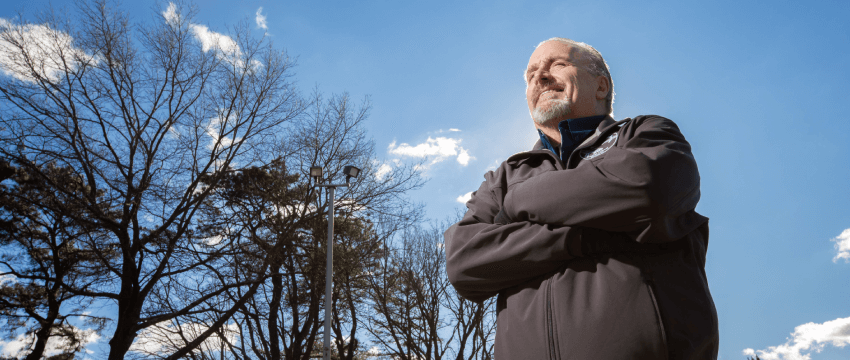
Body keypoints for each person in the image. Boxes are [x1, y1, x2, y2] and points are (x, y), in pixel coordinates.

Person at [444, 38, 719, 360]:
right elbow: (465, 263)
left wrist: (517, 203)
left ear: (601, 86)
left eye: (557, 64)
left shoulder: (643, 133)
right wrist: (589, 236)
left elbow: (649, 189)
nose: (540, 77)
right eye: (532, 73)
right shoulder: (505, 175)